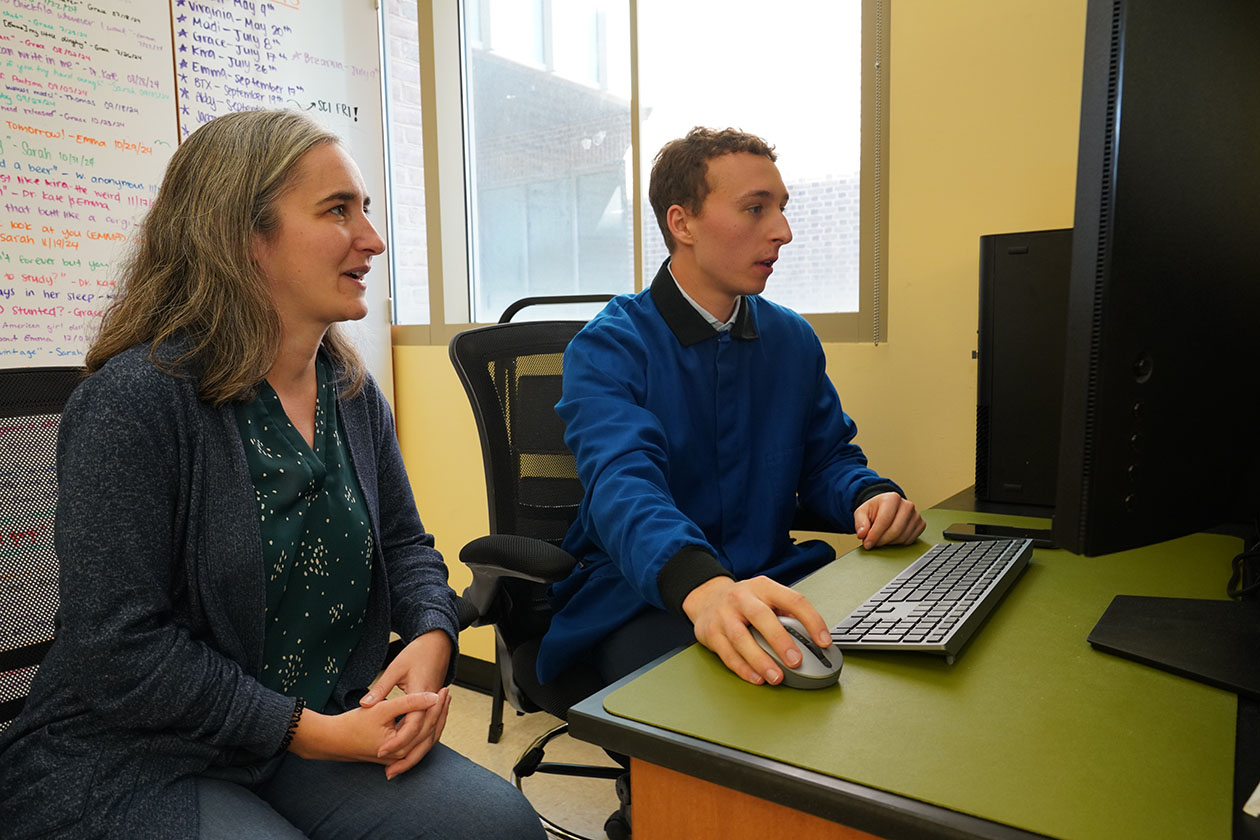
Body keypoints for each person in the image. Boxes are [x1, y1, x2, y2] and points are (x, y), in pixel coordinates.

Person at [0, 110, 544, 840]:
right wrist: (313, 734)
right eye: (337, 211)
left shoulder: (349, 392)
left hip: (311, 723)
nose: (372, 240)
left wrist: (432, 635)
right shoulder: (133, 404)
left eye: (366, 212)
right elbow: (118, 651)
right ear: (244, 238)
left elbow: (407, 547)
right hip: (141, 751)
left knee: (496, 824)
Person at [537, 127, 926, 691]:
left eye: (781, 209)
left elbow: (826, 462)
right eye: (755, 209)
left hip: (771, 575)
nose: (783, 232)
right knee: (731, 715)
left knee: (883, 681)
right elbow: (623, 488)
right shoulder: (611, 345)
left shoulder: (791, 339)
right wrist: (705, 587)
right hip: (647, 593)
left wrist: (869, 497)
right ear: (682, 223)